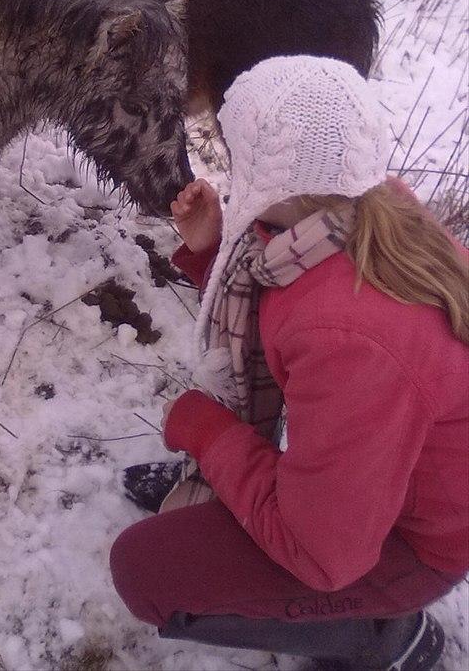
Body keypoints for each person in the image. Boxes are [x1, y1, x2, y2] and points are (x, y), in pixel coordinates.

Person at [109, 56, 468, 671]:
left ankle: (382, 637)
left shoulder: (352, 335)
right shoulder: (362, 217)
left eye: (236, 152)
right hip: (369, 489)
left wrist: (210, 433)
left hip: (408, 544)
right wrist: (213, 255)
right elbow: (286, 323)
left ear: (285, 176)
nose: (229, 167)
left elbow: (322, 553)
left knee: (145, 573)